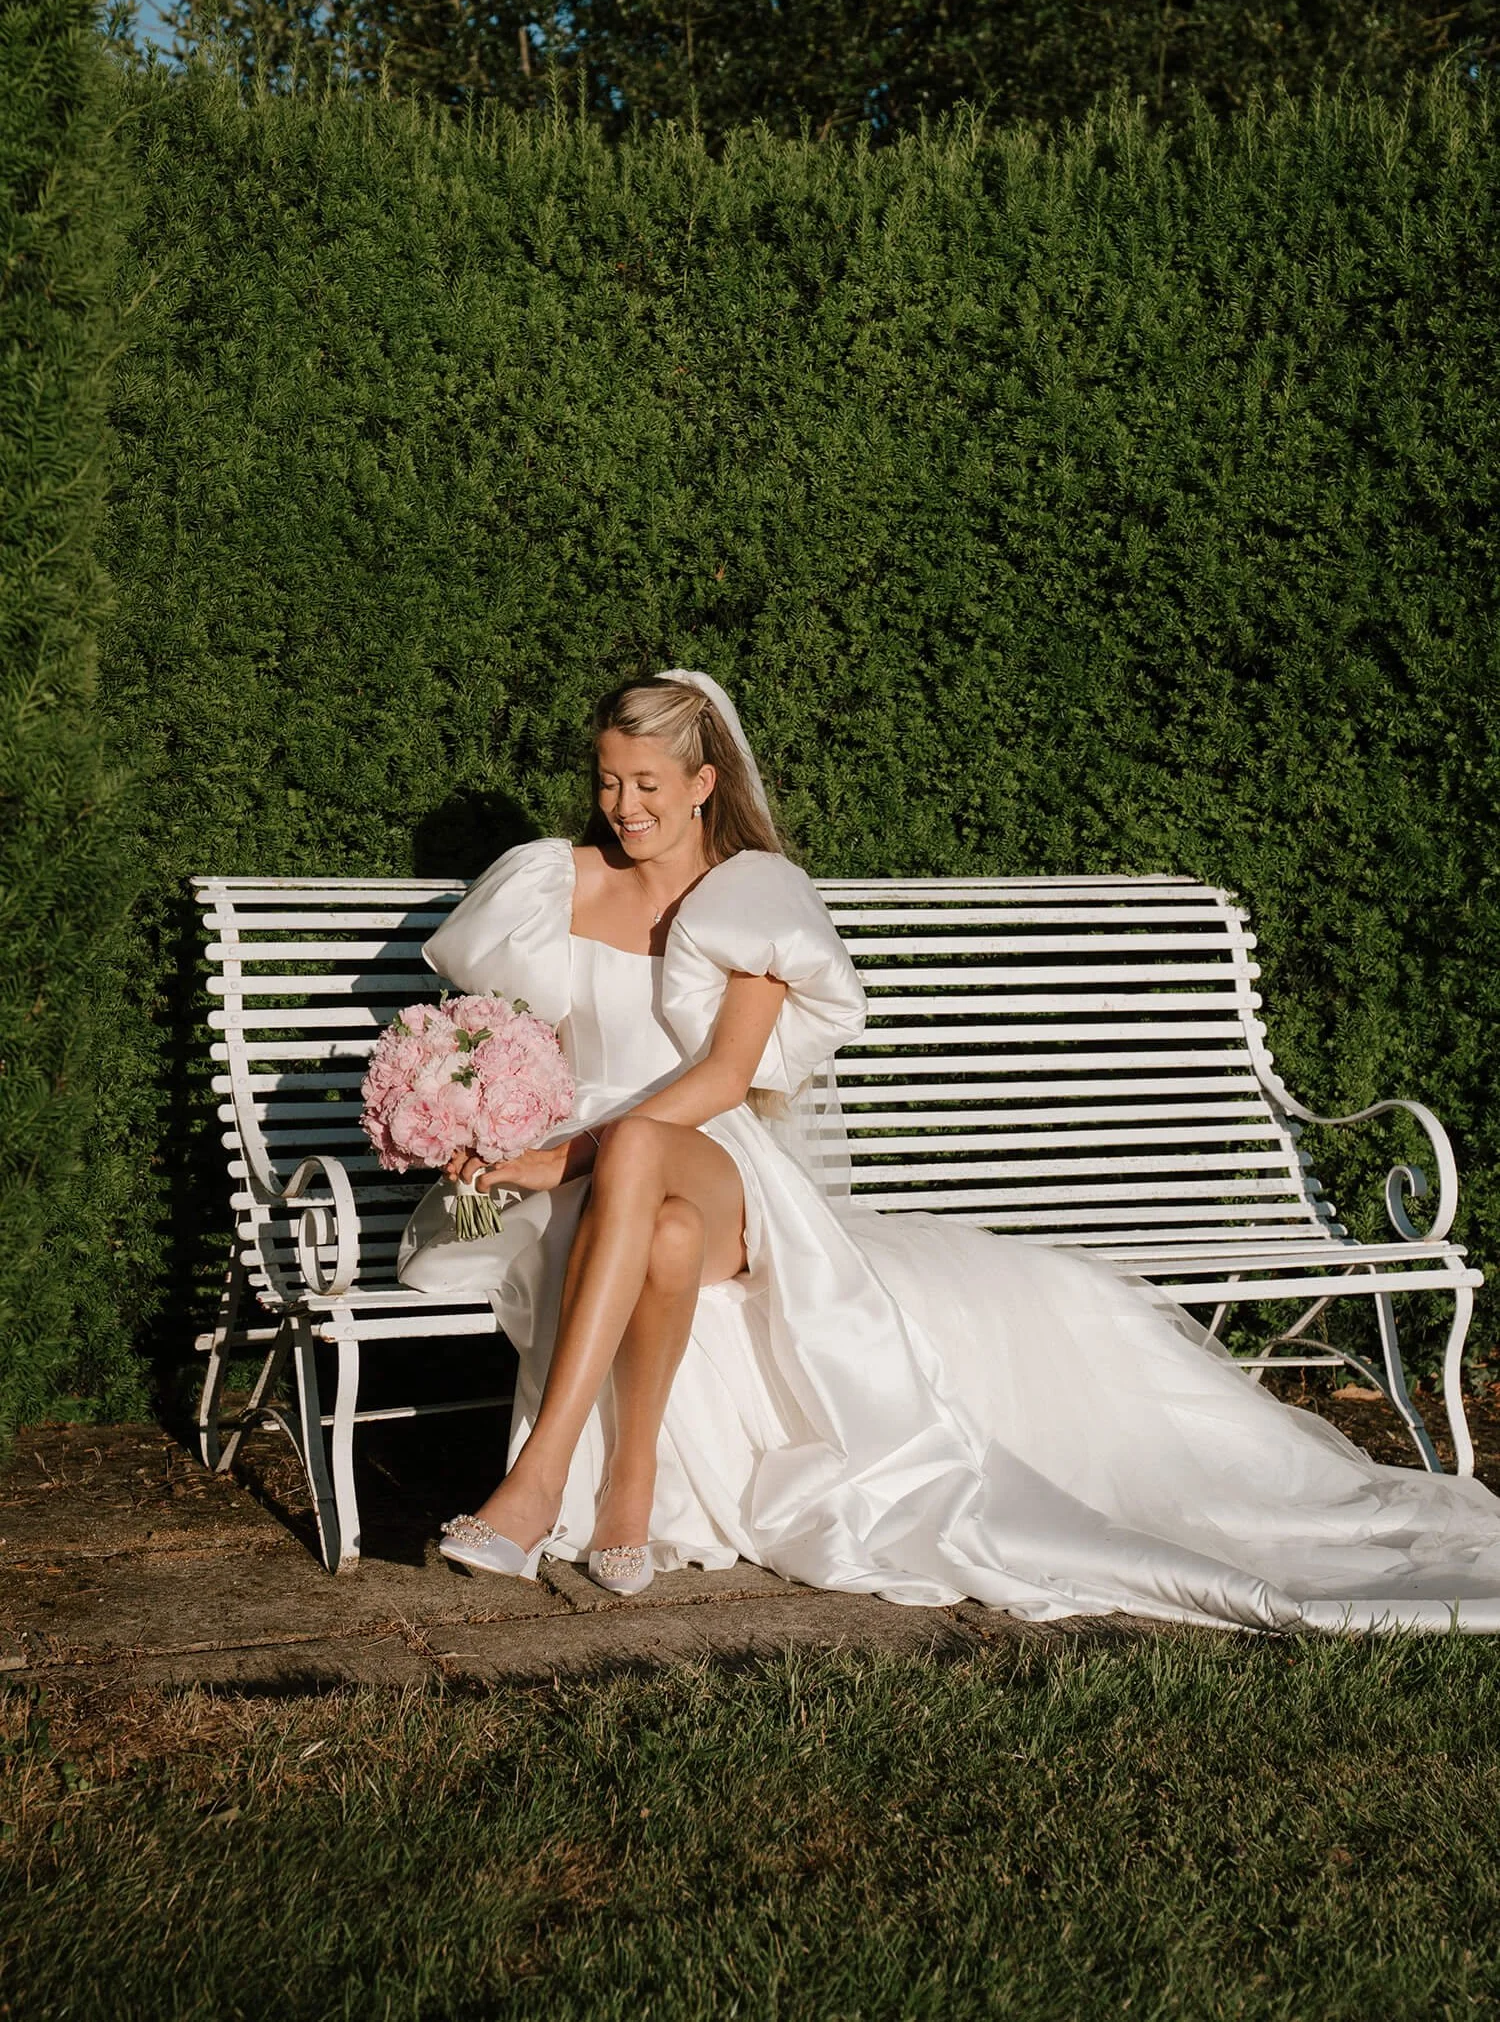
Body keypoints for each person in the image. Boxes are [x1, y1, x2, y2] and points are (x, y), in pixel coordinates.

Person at [399, 671, 1500, 1627]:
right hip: (606, 1174)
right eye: (607, 781)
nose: (623, 806)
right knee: (663, 1235)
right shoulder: (553, 886)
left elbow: (727, 1079)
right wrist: (486, 1119)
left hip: (709, 1154)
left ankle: (538, 1484)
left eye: (648, 784)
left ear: (703, 784)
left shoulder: (749, 897)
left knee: (647, 1148)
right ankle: (627, 1492)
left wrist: (567, 1156)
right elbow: (507, 1043)